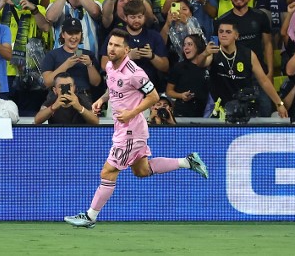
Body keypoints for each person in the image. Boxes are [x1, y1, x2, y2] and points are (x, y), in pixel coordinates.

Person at [64, 29, 208, 228]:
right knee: (142, 170)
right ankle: (187, 161)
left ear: (126, 50)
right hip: (125, 129)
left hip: (130, 131)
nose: (112, 48)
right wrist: (102, 100)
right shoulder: (110, 66)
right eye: (110, 44)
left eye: (117, 45)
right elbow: (112, 88)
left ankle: (90, 216)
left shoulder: (135, 73)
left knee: (108, 171)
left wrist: (131, 113)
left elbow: (154, 97)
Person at [33, 72, 98, 124]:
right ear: (55, 90)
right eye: (61, 86)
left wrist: (80, 108)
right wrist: (53, 108)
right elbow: (37, 120)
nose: (65, 89)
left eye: (69, 86)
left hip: (77, 134)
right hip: (57, 134)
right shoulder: (51, 101)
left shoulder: (82, 100)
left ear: (74, 88)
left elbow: (95, 122)